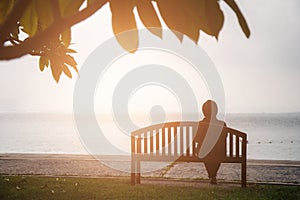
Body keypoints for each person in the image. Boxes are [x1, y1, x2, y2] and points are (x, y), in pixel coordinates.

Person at [194, 100, 227, 184]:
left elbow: (196, 139)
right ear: (216, 111)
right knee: (216, 153)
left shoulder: (201, 124)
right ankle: (213, 176)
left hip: (204, 152)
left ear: (203, 111)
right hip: (219, 152)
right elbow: (224, 137)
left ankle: (212, 175)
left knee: (205, 152)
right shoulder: (222, 124)